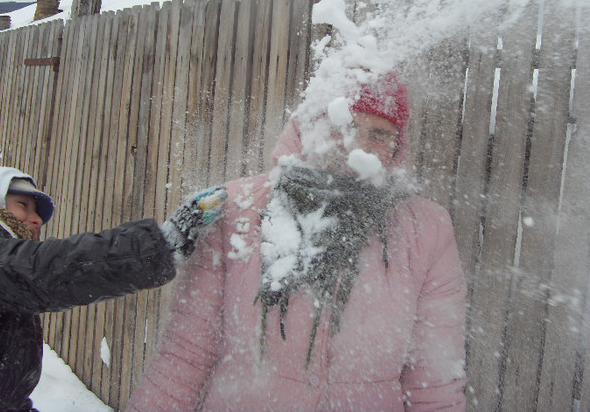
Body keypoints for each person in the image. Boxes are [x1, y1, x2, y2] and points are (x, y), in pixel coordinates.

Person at [126, 72, 467, 411]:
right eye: (341, 126)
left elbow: (434, 383)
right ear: (310, 127)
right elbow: (185, 355)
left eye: (379, 133)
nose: (356, 147)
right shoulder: (236, 209)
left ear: (397, 147)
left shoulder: (428, 229)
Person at [0, 164, 226, 412]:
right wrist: (158, 247)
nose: (36, 220)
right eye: (23, 206)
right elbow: (43, 270)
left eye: (36, 212)